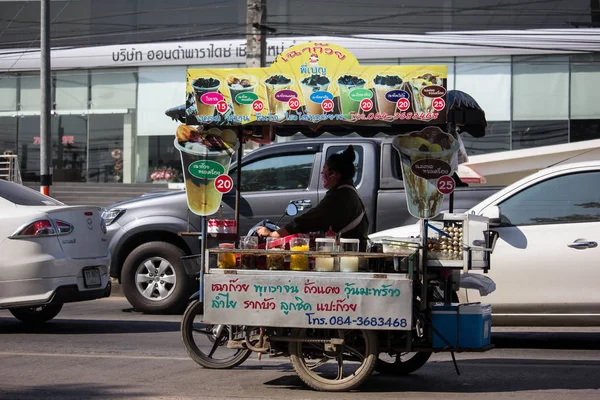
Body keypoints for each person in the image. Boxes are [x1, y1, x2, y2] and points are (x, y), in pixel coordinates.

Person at [256, 145, 369, 250]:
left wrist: (274, 234)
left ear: (332, 174)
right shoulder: (347, 192)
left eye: (324, 170)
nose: (321, 174)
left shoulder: (340, 196)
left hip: (349, 256)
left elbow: (309, 220)